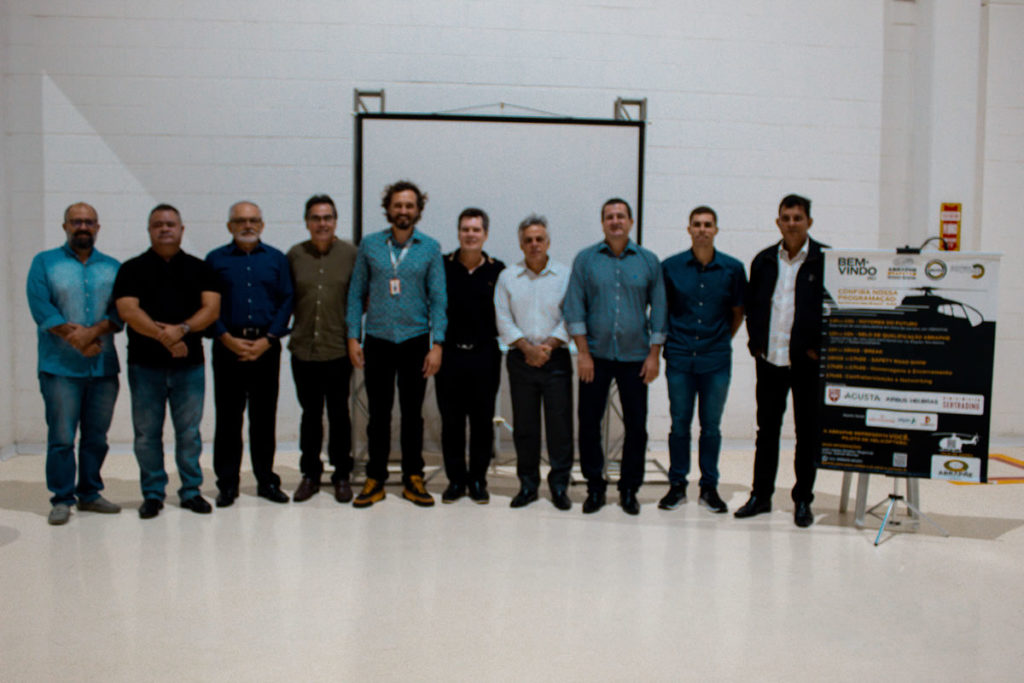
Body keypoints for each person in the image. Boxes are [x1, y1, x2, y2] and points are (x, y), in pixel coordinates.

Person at [114, 204, 221, 519]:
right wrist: (167, 338)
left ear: (181, 229)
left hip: (190, 367)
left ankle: (191, 491)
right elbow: (128, 311)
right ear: (149, 230)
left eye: (170, 224)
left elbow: (211, 309)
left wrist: (182, 330)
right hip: (144, 366)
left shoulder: (200, 268)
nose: (164, 229)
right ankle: (152, 493)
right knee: (147, 434)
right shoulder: (131, 269)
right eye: (158, 224)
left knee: (189, 433)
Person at [562, 198, 666, 515]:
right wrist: (583, 354)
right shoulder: (586, 260)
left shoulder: (648, 261)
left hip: (636, 357)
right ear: (603, 223)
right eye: (609, 216)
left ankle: (629, 489)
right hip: (595, 356)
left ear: (630, 222)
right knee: (589, 423)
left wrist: (654, 355)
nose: (615, 221)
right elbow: (574, 307)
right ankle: (595, 487)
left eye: (621, 216)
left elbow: (660, 310)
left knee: (636, 426)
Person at [346, 180, 446, 508]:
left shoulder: (430, 248)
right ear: (388, 208)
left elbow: (438, 299)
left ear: (418, 210)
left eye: (409, 205)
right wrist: (353, 337)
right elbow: (356, 293)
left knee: (413, 414)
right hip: (377, 340)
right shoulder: (370, 245)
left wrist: (438, 344)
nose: (403, 210)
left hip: (415, 341)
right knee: (378, 413)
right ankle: (375, 477)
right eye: (398, 205)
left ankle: (413, 477)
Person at [26, 202, 122, 525]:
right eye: (76, 221)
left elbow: (120, 312)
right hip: (59, 369)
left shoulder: (113, 267)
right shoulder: (44, 263)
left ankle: (90, 494)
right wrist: (76, 338)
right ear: (65, 226)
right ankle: (62, 498)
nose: (83, 227)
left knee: (96, 437)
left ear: (98, 227)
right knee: (62, 437)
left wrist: (91, 334)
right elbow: (41, 307)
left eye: (89, 222)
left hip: (103, 368)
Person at [735, 194, 827, 528]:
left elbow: (835, 311)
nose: (791, 224)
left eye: (797, 218)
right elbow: (753, 306)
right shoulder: (763, 260)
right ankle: (761, 497)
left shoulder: (825, 260)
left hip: (807, 364)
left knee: (807, 434)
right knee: (767, 432)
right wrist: (755, 345)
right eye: (786, 218)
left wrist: (819, 348)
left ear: (809, 222)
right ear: (778, 222)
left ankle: (803, 500)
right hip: (770, 360)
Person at [205, 201, 294, 507]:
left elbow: (287, 300)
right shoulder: (215, 260)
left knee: (263, 419)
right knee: (228, 419)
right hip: (227, 347)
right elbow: (207, 304)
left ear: (262, 225)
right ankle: (228, 484)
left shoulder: (276, 259)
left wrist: (268, 339)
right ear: (229, 226)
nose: (247, 225)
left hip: (265, 348)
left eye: (254, 220)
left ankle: (266, 480)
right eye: (241, 221)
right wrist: (226, 337)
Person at [658, 206, 746, 514]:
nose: (702, 229)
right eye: (697, 224)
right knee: (679, 425)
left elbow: (738, 313)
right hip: (680, 358)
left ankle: (709, 487)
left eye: (708, 224)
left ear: (716, 230)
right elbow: (663, 311)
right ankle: (677, 486)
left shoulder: (733, 269)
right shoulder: (670, 267)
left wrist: (719, 340)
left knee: (711, 427)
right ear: (689, 229)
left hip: (716, 360)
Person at [494, 215, 573, 510]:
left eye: (539, 239)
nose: (534, 244)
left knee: (559, 427)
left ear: (548, 242)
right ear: (521, 244)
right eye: (528, 240)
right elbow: (503, 318)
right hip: (521, 359)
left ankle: (559, 486)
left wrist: (548, 346)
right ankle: (528, 485)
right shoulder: (508, 277)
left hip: (557, 359)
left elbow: (572, 314)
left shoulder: (565, 275)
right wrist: (528, 349)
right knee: (525, 427)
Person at [288, 195, 359, 504]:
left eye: (327, 218)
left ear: (335, 221)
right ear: (307, 222)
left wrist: (354, 336)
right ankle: (310, 474)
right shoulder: (295, 255)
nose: (322, 223)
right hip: (304, 349)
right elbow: (287, 297)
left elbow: (360, 299)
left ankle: (341, 474)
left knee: (339, 414)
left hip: (338, 349)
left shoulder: (351, 255)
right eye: (316, 218)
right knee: (310, 415)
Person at [435, 208, 505, 504]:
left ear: (485, 234)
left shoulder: (497, 270)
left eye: (476, 230)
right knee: (451, 421)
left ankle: (477, 480)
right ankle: (455, 480)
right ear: (458, 232)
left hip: (485, 355)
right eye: (465, 229)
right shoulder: (442, 266)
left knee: (481, 421)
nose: (470, 234)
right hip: (450, 355)